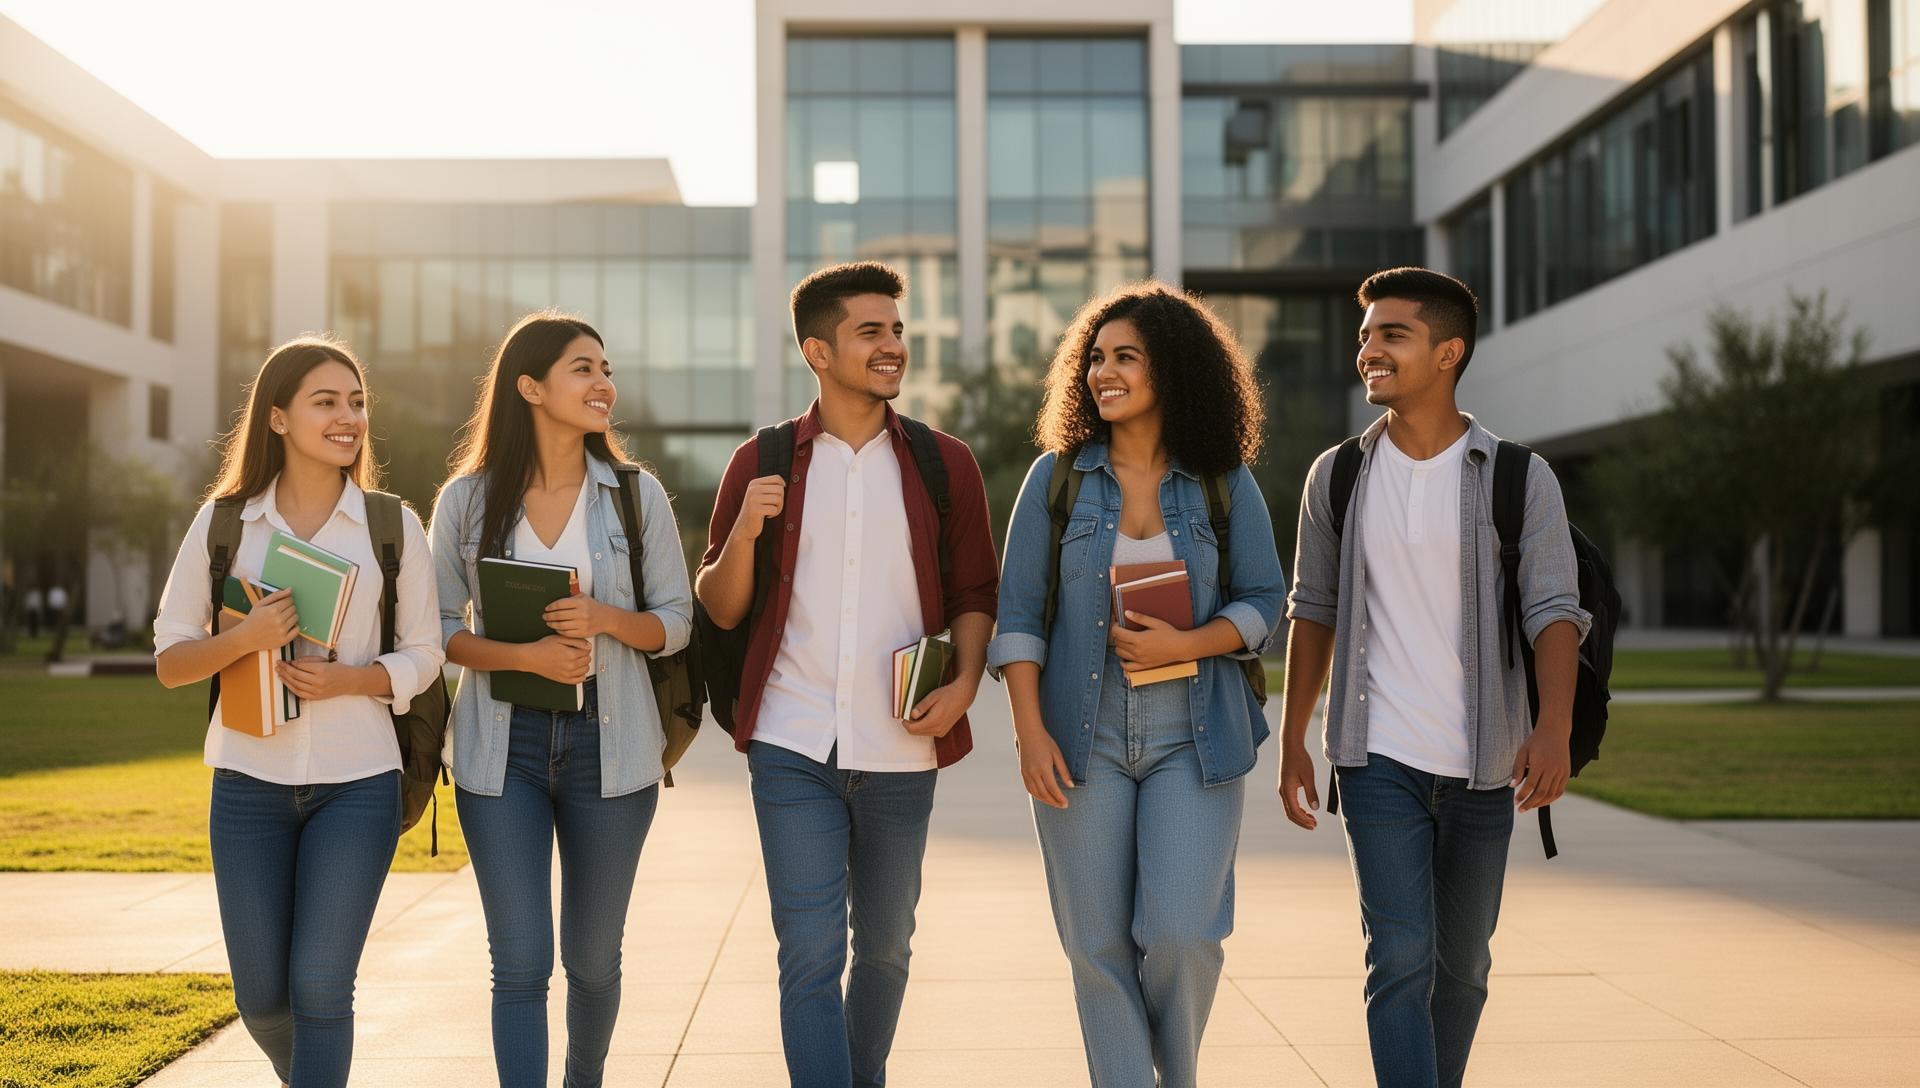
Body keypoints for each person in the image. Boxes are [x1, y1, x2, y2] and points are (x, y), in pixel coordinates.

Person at [1277, 267, 1591, 1088]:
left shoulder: (1518, 476)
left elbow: (1556, 608)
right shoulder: (1339, 475)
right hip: (1377, 756)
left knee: (1464, 968)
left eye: (1391, 335)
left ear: (1448, 352)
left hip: (1487, 763)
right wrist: (1294, 737)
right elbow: (1312, 609)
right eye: (1365, 337)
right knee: (1400, 956)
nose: (1368, 351)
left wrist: (1551, 729)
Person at [695, 261, 999, 1088]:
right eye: (872, 331)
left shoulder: (945, 465)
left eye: (897, 330)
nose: (893, 345)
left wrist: (965, 683)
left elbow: (976, 592)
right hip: (793, 743)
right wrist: (745, 536)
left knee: (889, 948)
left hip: (903, 747)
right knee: (808, 955)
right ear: (817, 351)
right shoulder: (760, 461)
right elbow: (719, 608)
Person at [987, 282, 1285, 1088]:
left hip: (1197, 734)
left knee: (1183, 932)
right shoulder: (1058, 480)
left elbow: (1265, 600)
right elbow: (1017, 615)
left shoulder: (1223, 481)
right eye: (1095, 356)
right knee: (1097, 945)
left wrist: (1191, 640)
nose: (1102, 371)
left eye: (1127, 356)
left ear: (1176, 370)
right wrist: (1028, 733)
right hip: (1079, 736)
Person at [152, 337, 445, 1088]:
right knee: (260, 1000)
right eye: (327, 402)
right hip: (247, 783)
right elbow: (170, 660)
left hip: (360, 783)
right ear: (277, 417)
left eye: (356, 402)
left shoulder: (391, 526)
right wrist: (246, 637)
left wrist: (351, 681)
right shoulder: (225, 525)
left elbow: (426, 653)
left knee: (320, 987)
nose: (348, 417)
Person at [429, 311, 692, 1088]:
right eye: (583, 368)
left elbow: (677, 623)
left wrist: (606, 619)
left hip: (610, 752)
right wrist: (524, 656)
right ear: (530, 387)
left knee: (593, 960)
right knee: (518, 963)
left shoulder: (637, 499)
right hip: (497, 750)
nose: (603, 383)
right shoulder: (466, 501)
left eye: (605, 368)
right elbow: (440, 630)